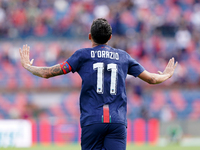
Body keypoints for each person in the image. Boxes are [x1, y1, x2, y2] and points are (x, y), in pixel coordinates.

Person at [19, 18, 178, 150]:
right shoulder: (123, 57)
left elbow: (48, 73)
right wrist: (166, 75)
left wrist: (29, 66)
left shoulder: (82, 55)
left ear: (90, 36)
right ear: (110, 38)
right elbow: (152, 79)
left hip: (92, 120)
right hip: (117, 120)